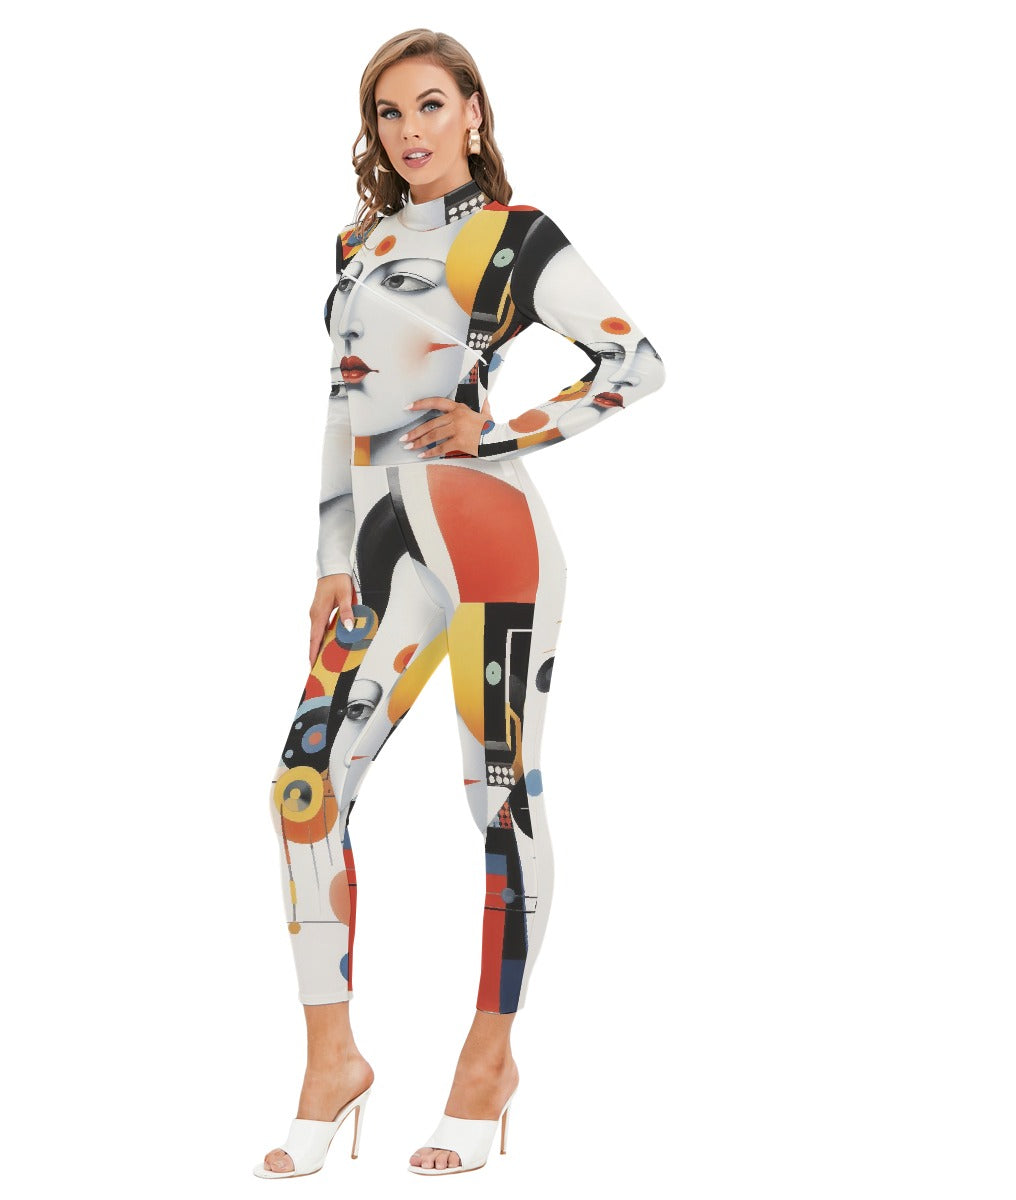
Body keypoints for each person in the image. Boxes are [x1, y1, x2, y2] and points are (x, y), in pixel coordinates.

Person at [255, 28, 665, 1179]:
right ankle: (331, 1061)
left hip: (491, 539)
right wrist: (331, 556)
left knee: (497, 795)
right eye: (389, 114)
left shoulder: (514, 237)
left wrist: (500, 431)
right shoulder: (360, 242)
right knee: (302, 788)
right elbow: (343, 405)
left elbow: (635, 363)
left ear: (474, 112)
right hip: (384, 546)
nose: (411, 131)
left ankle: (489, 1061)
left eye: (432, 105)